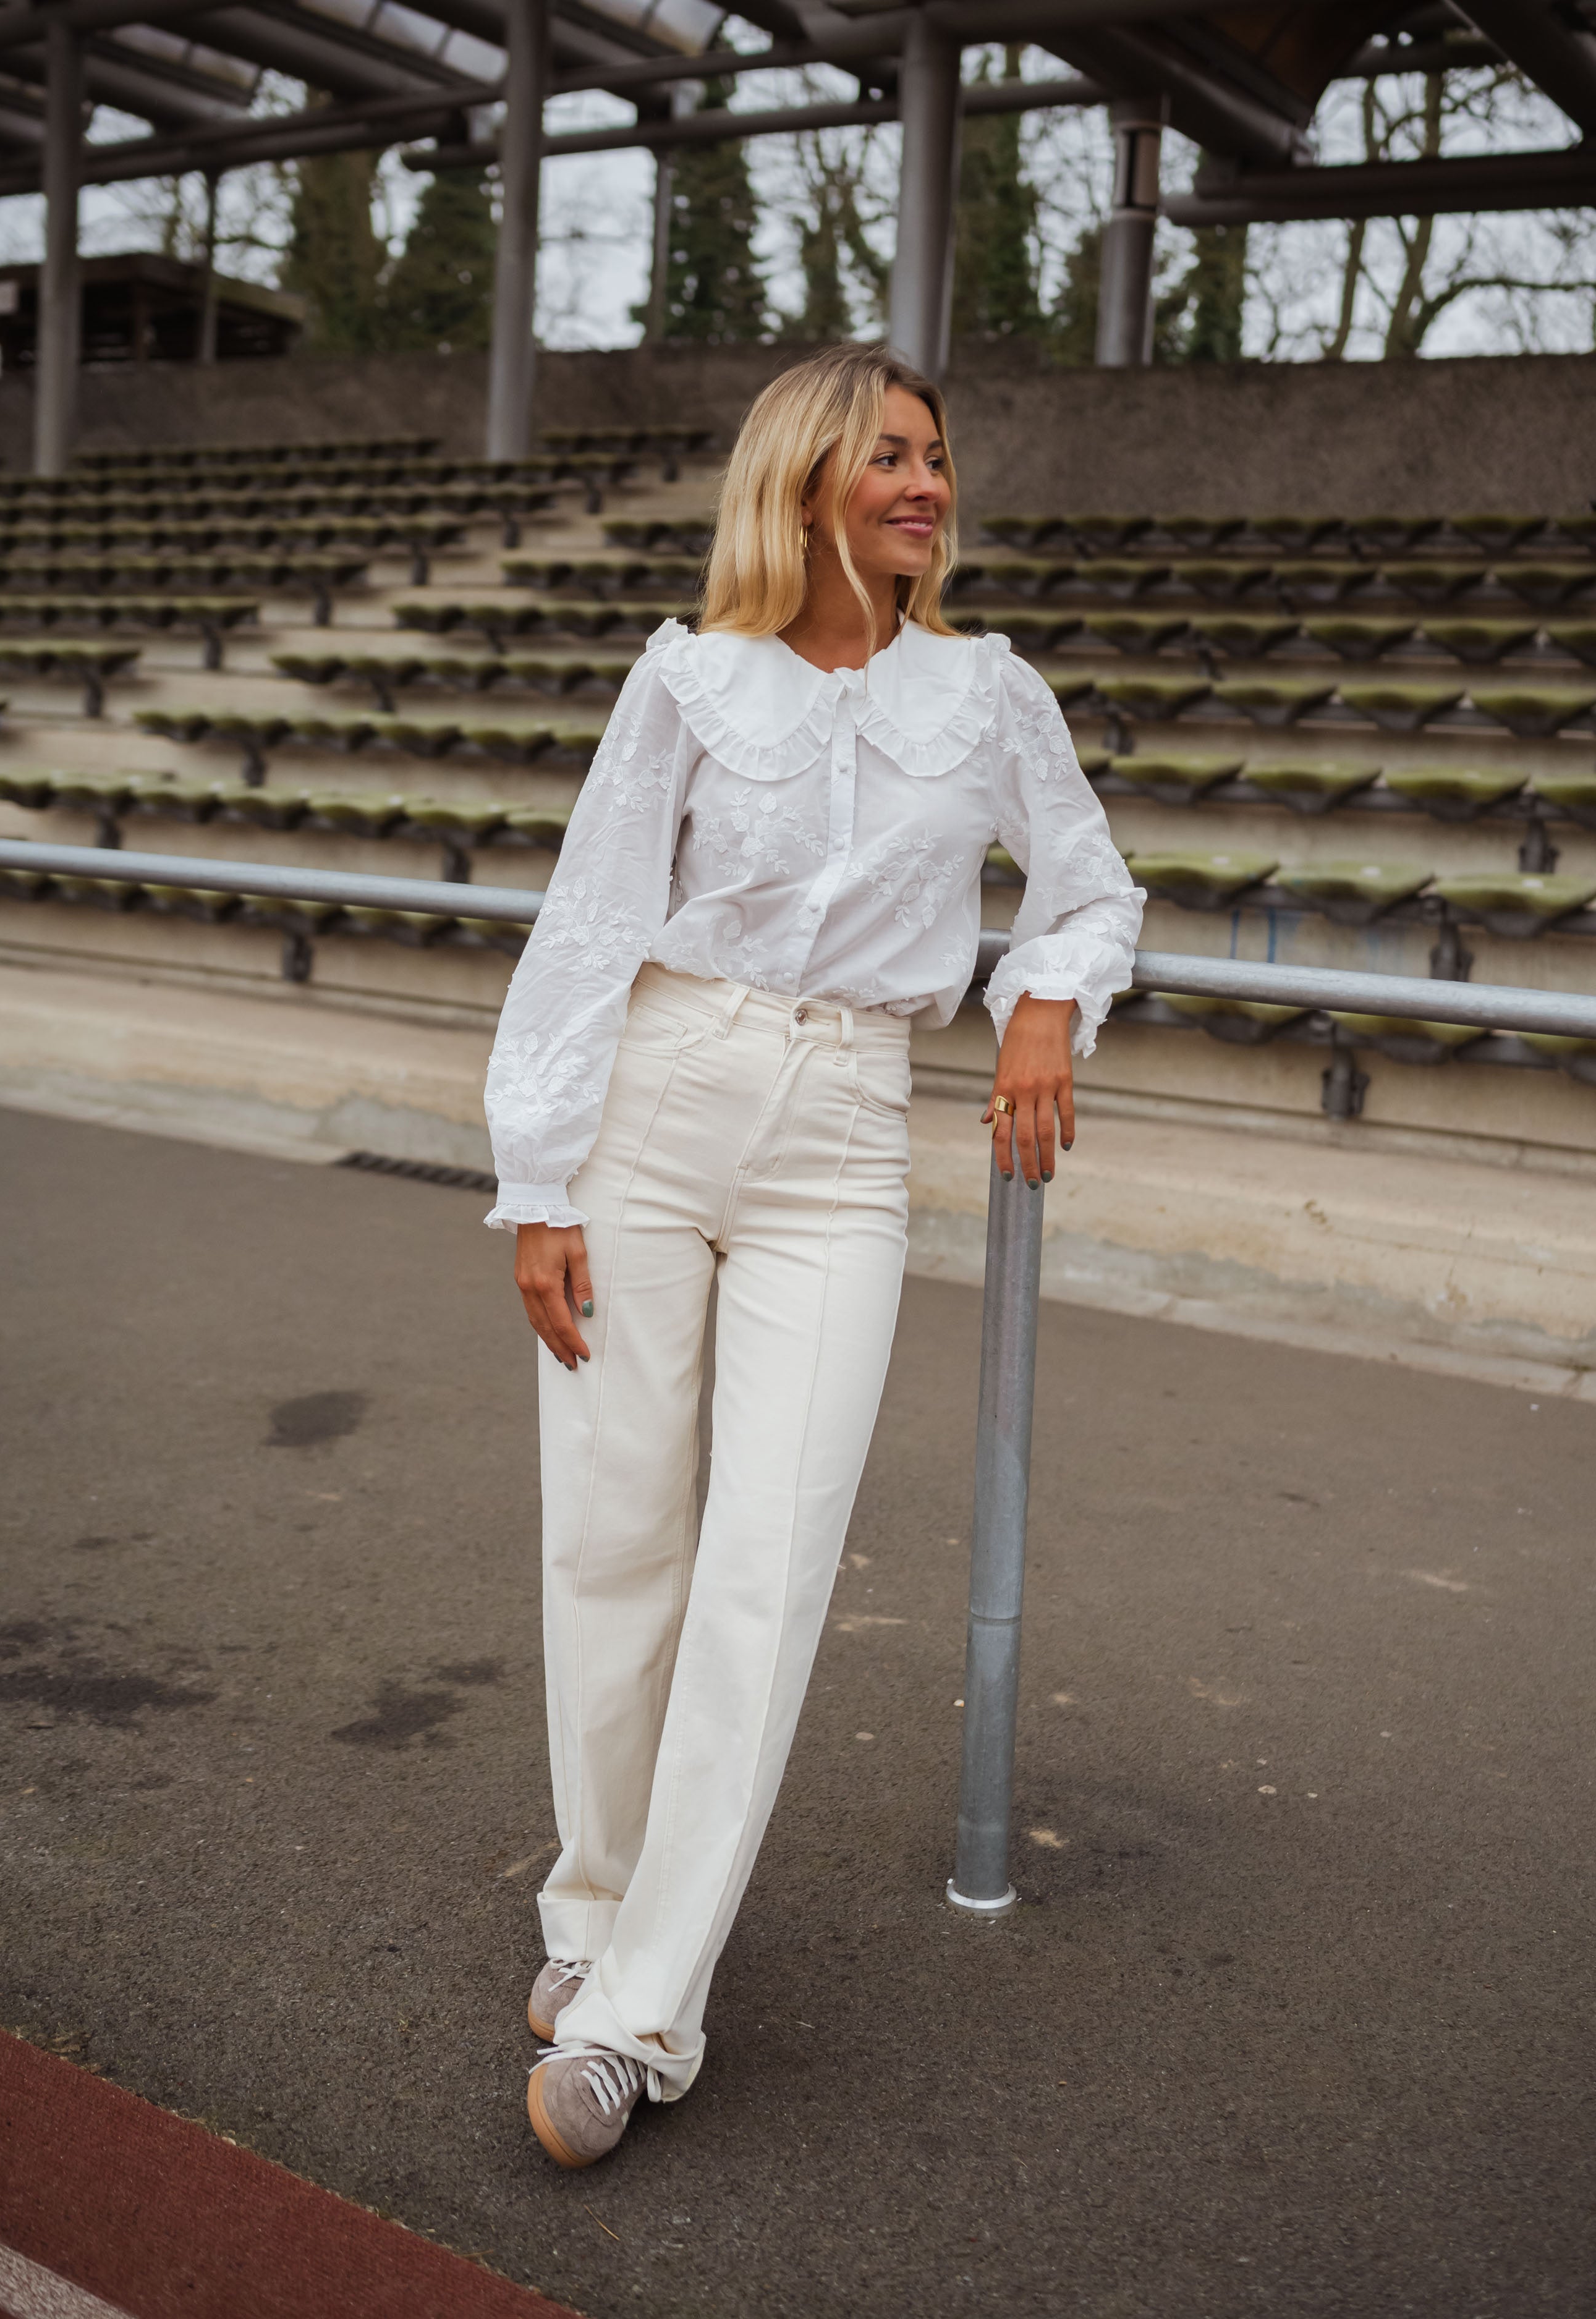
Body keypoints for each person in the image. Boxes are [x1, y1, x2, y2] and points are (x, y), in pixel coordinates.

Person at [483, 341, 1144, 2169]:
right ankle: (593, 1907)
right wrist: (537, 1176)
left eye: (937, 457)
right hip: (658, 1097)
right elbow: (593, 916)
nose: (927, 486)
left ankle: (639, 2015)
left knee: (769, 1565)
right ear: (803, 482)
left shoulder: (989, 691)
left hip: (848, 1133)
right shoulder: (690, 679)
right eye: (889, 458)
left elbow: (1091, 883)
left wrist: (1039, 1002)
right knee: (615, 1530)